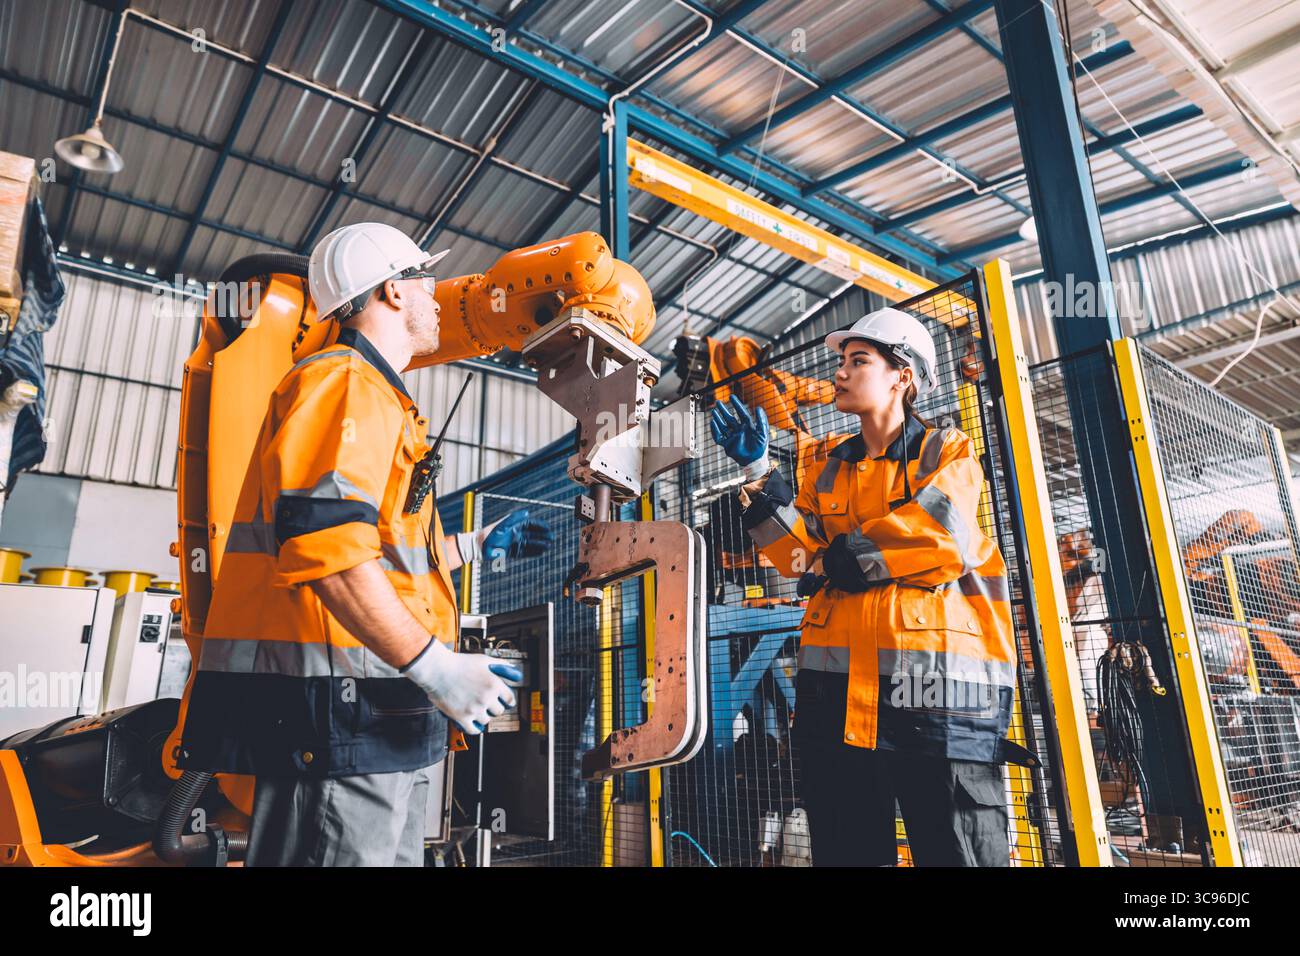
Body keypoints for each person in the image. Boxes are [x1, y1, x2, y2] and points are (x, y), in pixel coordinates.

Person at [178, 222, 552, 866]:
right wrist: (436, 667)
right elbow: (326, 545)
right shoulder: (341, 383)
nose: (439, 295)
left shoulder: (381, 398)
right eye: (424, 279)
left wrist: (471, 546)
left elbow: (382, 551)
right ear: (391, 293)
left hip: (380, 714)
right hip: (337, 719)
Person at [710, 307, 1034, 867]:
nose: (839, 372)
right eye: (840, 362)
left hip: (938, 698)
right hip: (834, 702)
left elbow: (937, 534)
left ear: (902, 376)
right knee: (847, 850)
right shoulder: (825, 468)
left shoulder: (947, 451)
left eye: (857, 361)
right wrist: (758, 473)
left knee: (959, 851)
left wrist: (837, 561)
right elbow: (795, 558)